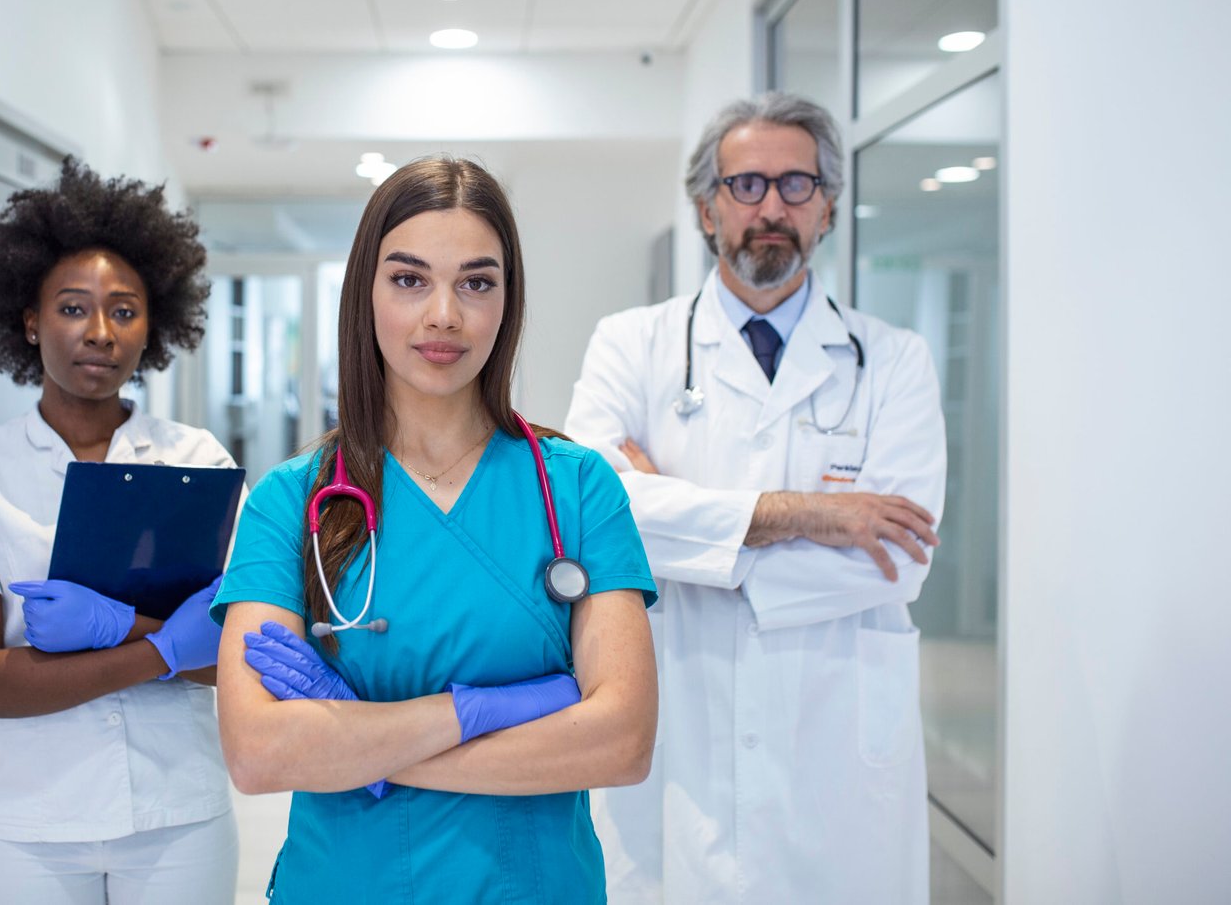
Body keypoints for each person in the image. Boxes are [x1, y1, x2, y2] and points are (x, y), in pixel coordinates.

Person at [211, 156, 659, 904]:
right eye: (410, 279)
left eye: (476, 282)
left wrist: (361, 743)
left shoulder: (578, 488)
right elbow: (257, 752)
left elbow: (622, 740)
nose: (444, 313)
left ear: (507, 302)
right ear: (367, 293)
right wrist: (472, 711)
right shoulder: (292, 502)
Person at [565, 92, 946, 904]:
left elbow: (898, 562)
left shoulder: (895, 360)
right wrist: (807, 514)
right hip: (680, 716)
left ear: (830, 205)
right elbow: (593, 518)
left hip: (836, 730)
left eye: (796, 184)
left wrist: (681, 522)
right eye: (745, 185)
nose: (771, 206)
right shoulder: (631, 344)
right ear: (707, 208)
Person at [0, 160, 237, 904]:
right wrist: (160, 645)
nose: (99, 332)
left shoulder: (199, 462)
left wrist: (121, 632)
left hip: (177, 809)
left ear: (153, 326)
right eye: (72, 307)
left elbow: (240, 655)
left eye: (124, 310)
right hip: (29, 824)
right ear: (28, 318)